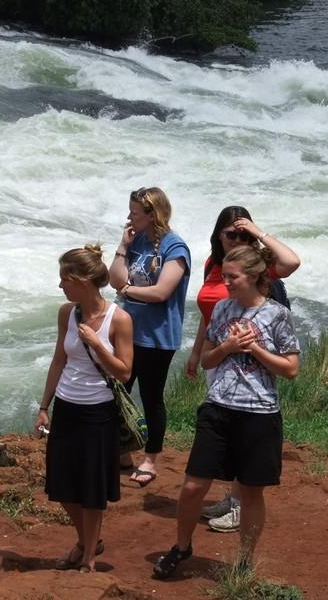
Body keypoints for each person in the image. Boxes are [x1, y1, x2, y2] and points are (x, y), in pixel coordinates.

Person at [154, 244, 301, 579]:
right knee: (193, 486)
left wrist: (253, 348)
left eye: (232, 277)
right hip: (217, 408)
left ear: (252, 277)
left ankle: (245, 560)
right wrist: (227, 347)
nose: (226, 283)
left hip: (259, 414)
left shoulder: (278, 315)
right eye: (224, 276)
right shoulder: (220, 309)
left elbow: (290, 369)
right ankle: (181, 546)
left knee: (250, 492)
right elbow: (207, 359)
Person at [184, 205, 300, 533]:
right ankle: (232, 498)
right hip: (220, 348)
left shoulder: (255, 268)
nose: (237, 239)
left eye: (243, 234)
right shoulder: (214, 266)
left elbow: (291, 262)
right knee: (225, 427)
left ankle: (238, 505)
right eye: (231, 232)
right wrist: (197, 353)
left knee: (245, 427)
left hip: (252, 356)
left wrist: (257, 231)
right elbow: (211, 314)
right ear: (218, 233)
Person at [34, 244, 134, 573]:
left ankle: (89, 556)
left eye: (66, 279)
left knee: (92, 490)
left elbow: (123, 371)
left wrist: (96, 344)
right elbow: (59, 360)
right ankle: (85, 540)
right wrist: (44, 406)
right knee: (61, 485)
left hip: (98, 413)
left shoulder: (119, 319)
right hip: (66, 407)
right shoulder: (67, 312)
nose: (61, 285)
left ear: (85, 280)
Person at [109, 187, 191, 487]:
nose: (129, 216)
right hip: (128, 331)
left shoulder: (175, 247)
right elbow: (115, 279)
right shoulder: (138, 241)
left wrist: (127, 291)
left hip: (157, 336)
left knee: (151, 398)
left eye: (134, 212)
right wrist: (122, 245)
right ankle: (122, 451)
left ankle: (150, 459)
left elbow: (160, 292)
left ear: (152, 214)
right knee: (118, 392)